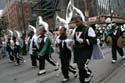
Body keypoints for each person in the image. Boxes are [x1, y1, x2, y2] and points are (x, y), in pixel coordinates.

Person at [70, 16, 97, 83]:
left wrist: (84, 41)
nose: (76, 23)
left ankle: (89, 73)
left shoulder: (88, 29)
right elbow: (73, 39)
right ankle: (82, 81)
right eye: (75, 22)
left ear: (82, 21)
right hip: (77, 50)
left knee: (81, 65)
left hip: (86, 50)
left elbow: (94, 40)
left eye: (78, 21)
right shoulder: (74, 30)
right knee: (80, 67)